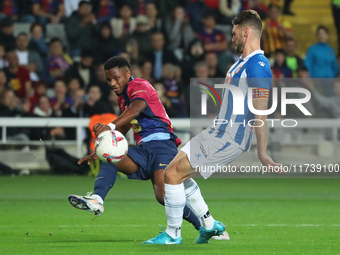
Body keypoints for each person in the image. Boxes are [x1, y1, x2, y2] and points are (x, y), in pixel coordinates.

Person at [143, 10, 281, 245]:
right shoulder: (241, 63)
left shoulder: (258, 65)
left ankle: (173, 234)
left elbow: (261, 111)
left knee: (172, 175)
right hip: (217, 131)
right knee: (175, 170)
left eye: (235, 33)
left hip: (230, 137)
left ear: (246, 32)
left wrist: (262, 152)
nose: (233, 38)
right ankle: (209, 225)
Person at [68, 56, 202, 234]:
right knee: (110, 158)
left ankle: (204, 226)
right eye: (109, 80)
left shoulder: (139, 85)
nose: (112, 83)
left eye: (116, 78)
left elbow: (136, 109)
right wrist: (100, 150)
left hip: (162, 145)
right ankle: (98, 199)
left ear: (128, 74)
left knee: (163, 196)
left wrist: (110, 126)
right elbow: (125, 125)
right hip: (144, 149)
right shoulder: (122, 98)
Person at [305, 26, 339, 96]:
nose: (322, 36)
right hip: (317, 81)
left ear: (327, 35)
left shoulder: (331, 50)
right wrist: (308, 78)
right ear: (317, 36)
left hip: (330, 81)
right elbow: (307, 65)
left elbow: (334, 66)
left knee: (330, 101)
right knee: (319, 100)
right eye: (320, 34)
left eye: (323, 34)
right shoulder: (312, 49)